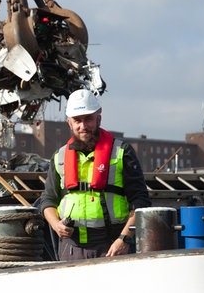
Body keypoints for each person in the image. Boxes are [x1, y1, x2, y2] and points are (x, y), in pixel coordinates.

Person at [39, 88, 151, 261]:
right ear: (69, 122)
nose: (83, 126)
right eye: (77, 120)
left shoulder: (122, 151)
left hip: (112, 247)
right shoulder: (59, 156)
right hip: (71, 249)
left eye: (88, 119)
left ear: (98, 119)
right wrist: (55, 224)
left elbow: (141, 201)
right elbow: (48, 200)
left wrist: (124, 239)